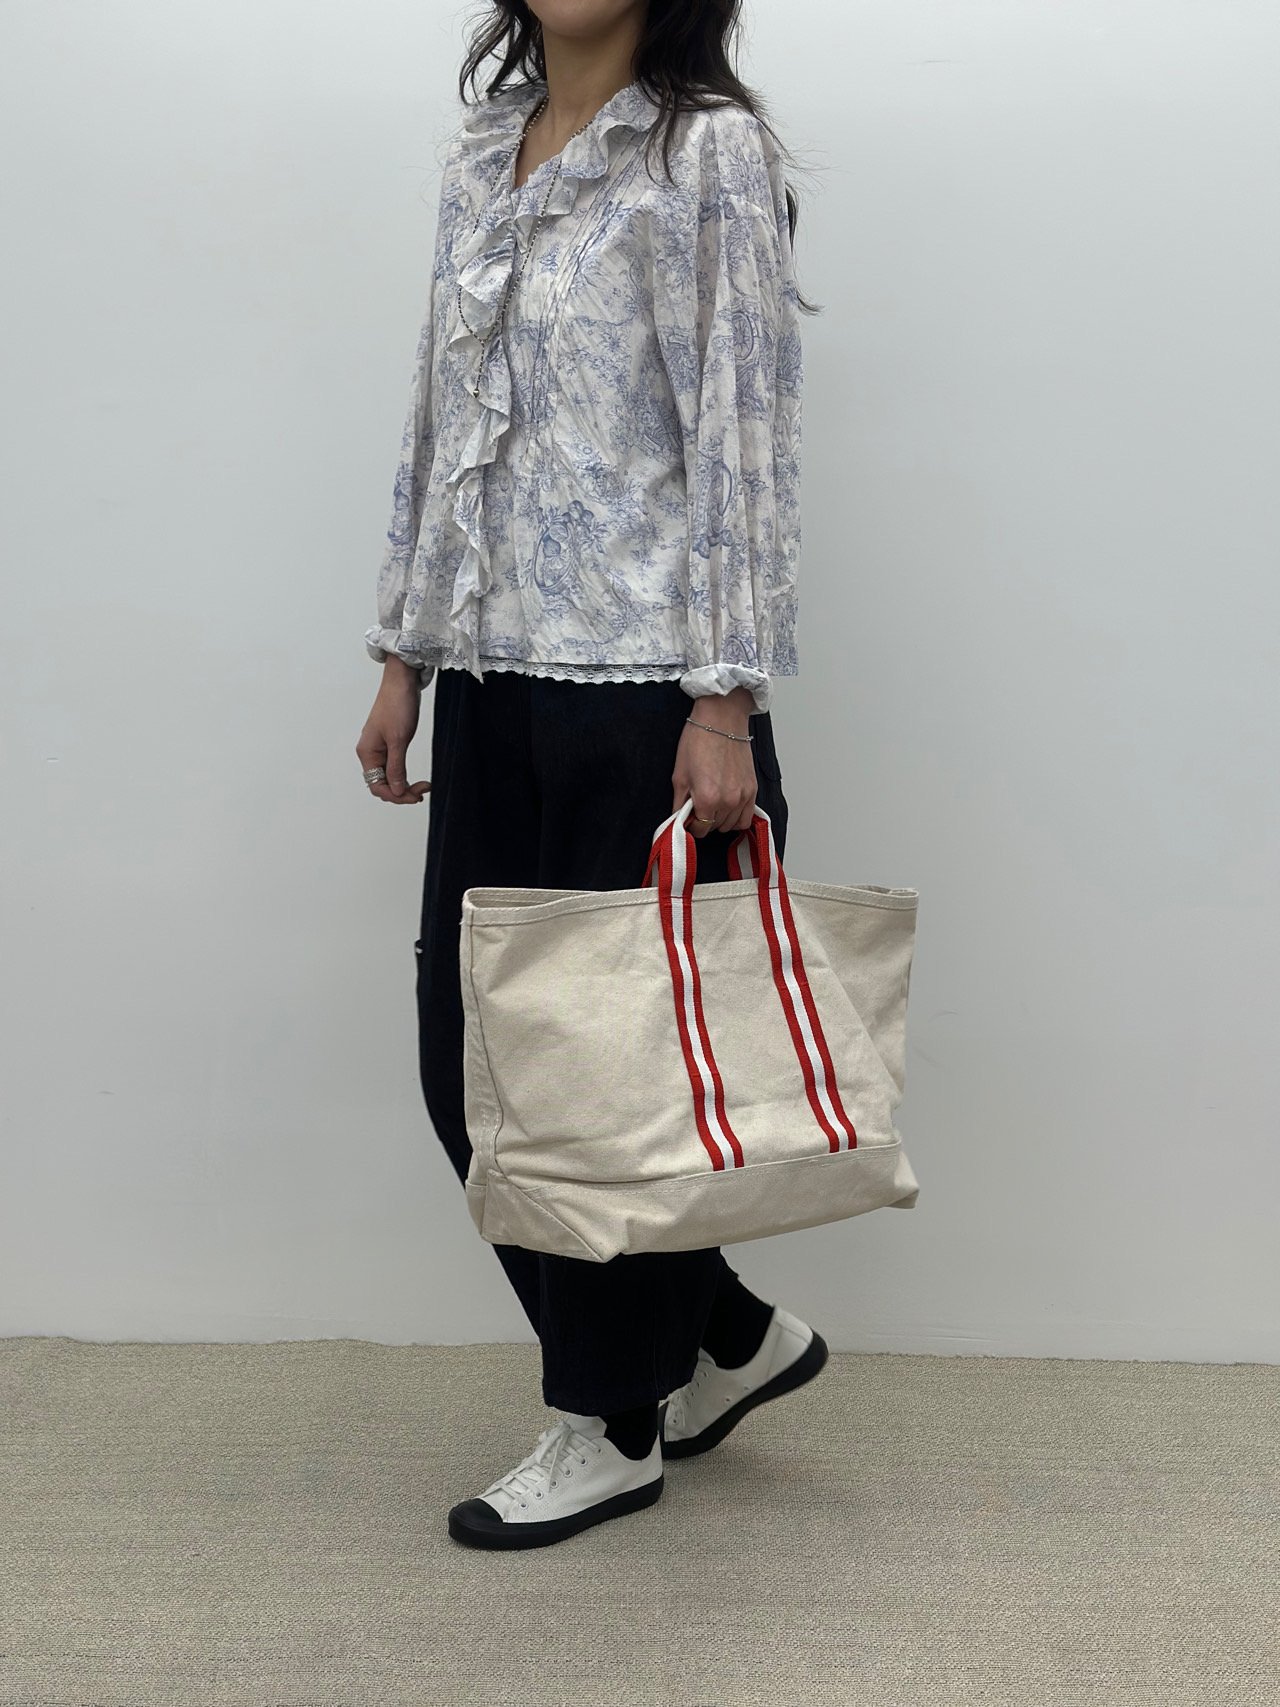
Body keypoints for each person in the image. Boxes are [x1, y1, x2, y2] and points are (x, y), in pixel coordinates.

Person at [356, 0, 828, 1551]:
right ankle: (726, 1336)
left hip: (647, 699)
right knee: (475, 1065)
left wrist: (725, 700)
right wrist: (406, 650)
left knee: (607, 1088)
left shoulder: (708, 155)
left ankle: (611, 1421)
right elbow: (440, 419)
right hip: (493, 682)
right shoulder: (483, 155)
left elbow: (743, 437)